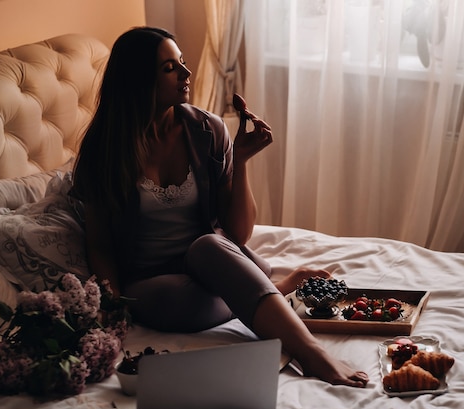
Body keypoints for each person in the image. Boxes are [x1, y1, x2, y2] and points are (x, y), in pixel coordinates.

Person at [72, 26, 368, 388]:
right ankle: (271, 291)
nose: (186, 73)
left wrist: (239, 163)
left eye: (182, 62)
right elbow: (99, 243)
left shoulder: (208, 130)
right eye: (169, 68)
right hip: (157, 285)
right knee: (214, 273)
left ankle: (310, 352)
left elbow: (239, 233)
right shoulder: (105, 149)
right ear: (138, 81)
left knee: (209, 245)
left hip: (214, 258)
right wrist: (113, 306)